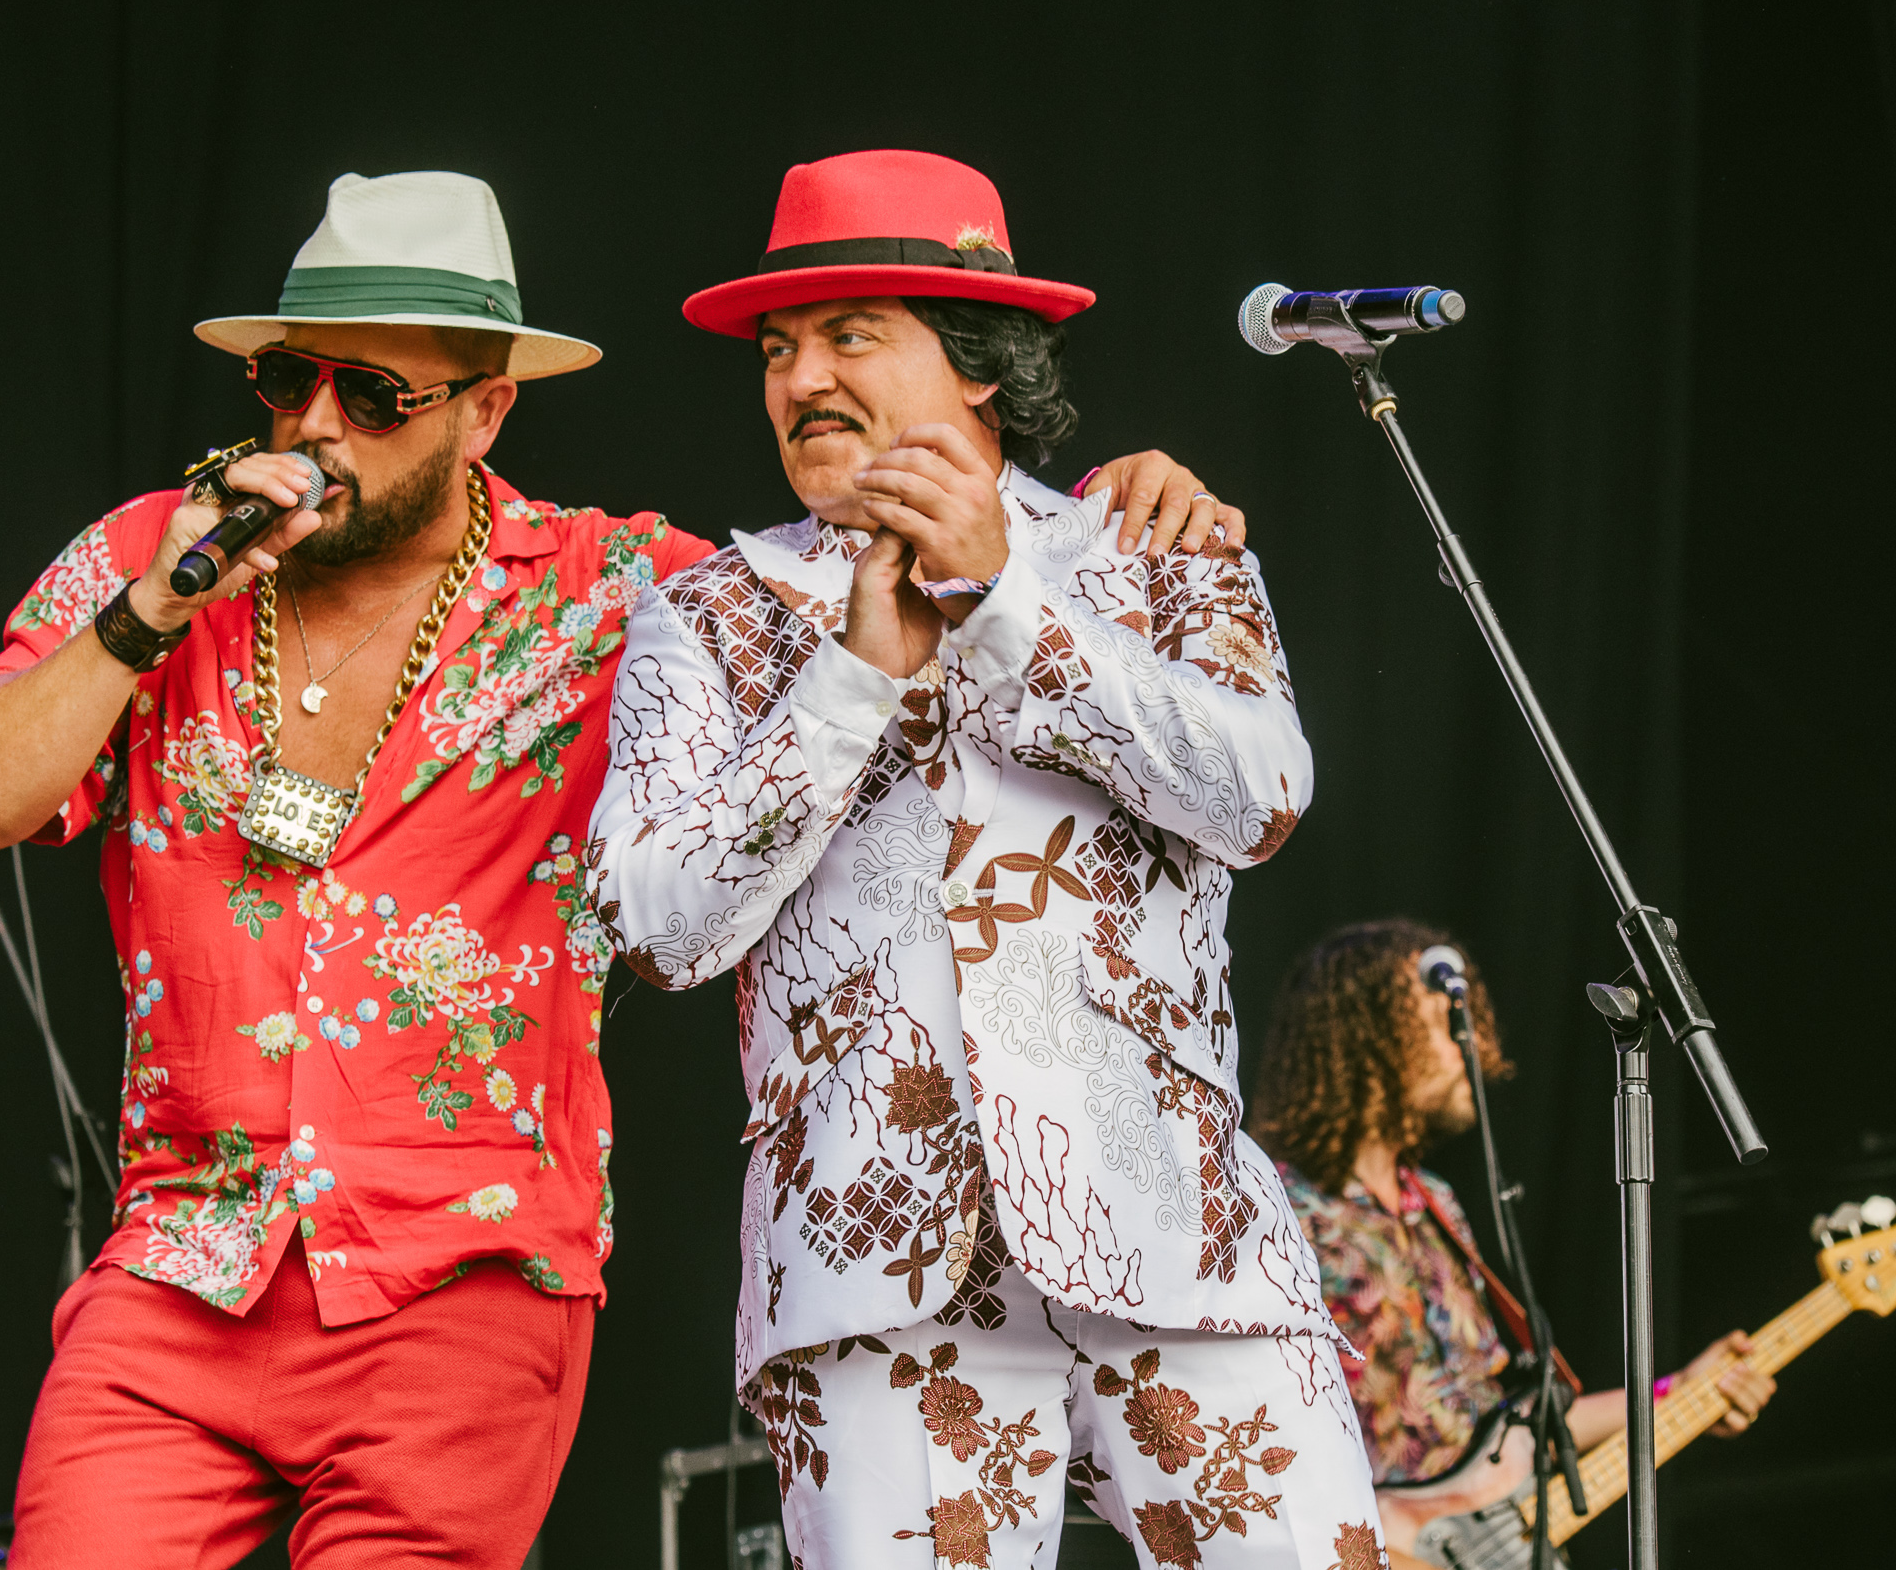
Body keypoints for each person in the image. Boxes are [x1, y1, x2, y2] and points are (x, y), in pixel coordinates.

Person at [0, 168, 1233, 1568]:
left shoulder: (618, 594)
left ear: (487, 413)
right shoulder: (152, 556)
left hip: (465, 1278)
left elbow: (871, 562)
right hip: (182, 1266)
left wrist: (1093, 520)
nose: (313, 428)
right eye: (289, 380)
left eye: (373, 398)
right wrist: (154, 607)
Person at [588, 149, 1380, 1569]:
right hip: (872, 1268)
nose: (799, 379)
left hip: (1181, 1239)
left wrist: (1012, 604)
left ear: (975, 364)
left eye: (848, 336)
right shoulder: (704, 613)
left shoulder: (1153, 549)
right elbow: (653, 925)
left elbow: (1261, 797)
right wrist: (848, 682)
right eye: (778, 349)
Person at [1250, 920, 1773, 1511]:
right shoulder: (1274, 1209)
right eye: (1444, 1025)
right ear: (1365, 1035)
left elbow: (1511, 1437)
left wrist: (1675, 1391)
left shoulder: (1434, 1205)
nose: (1469, 1048)